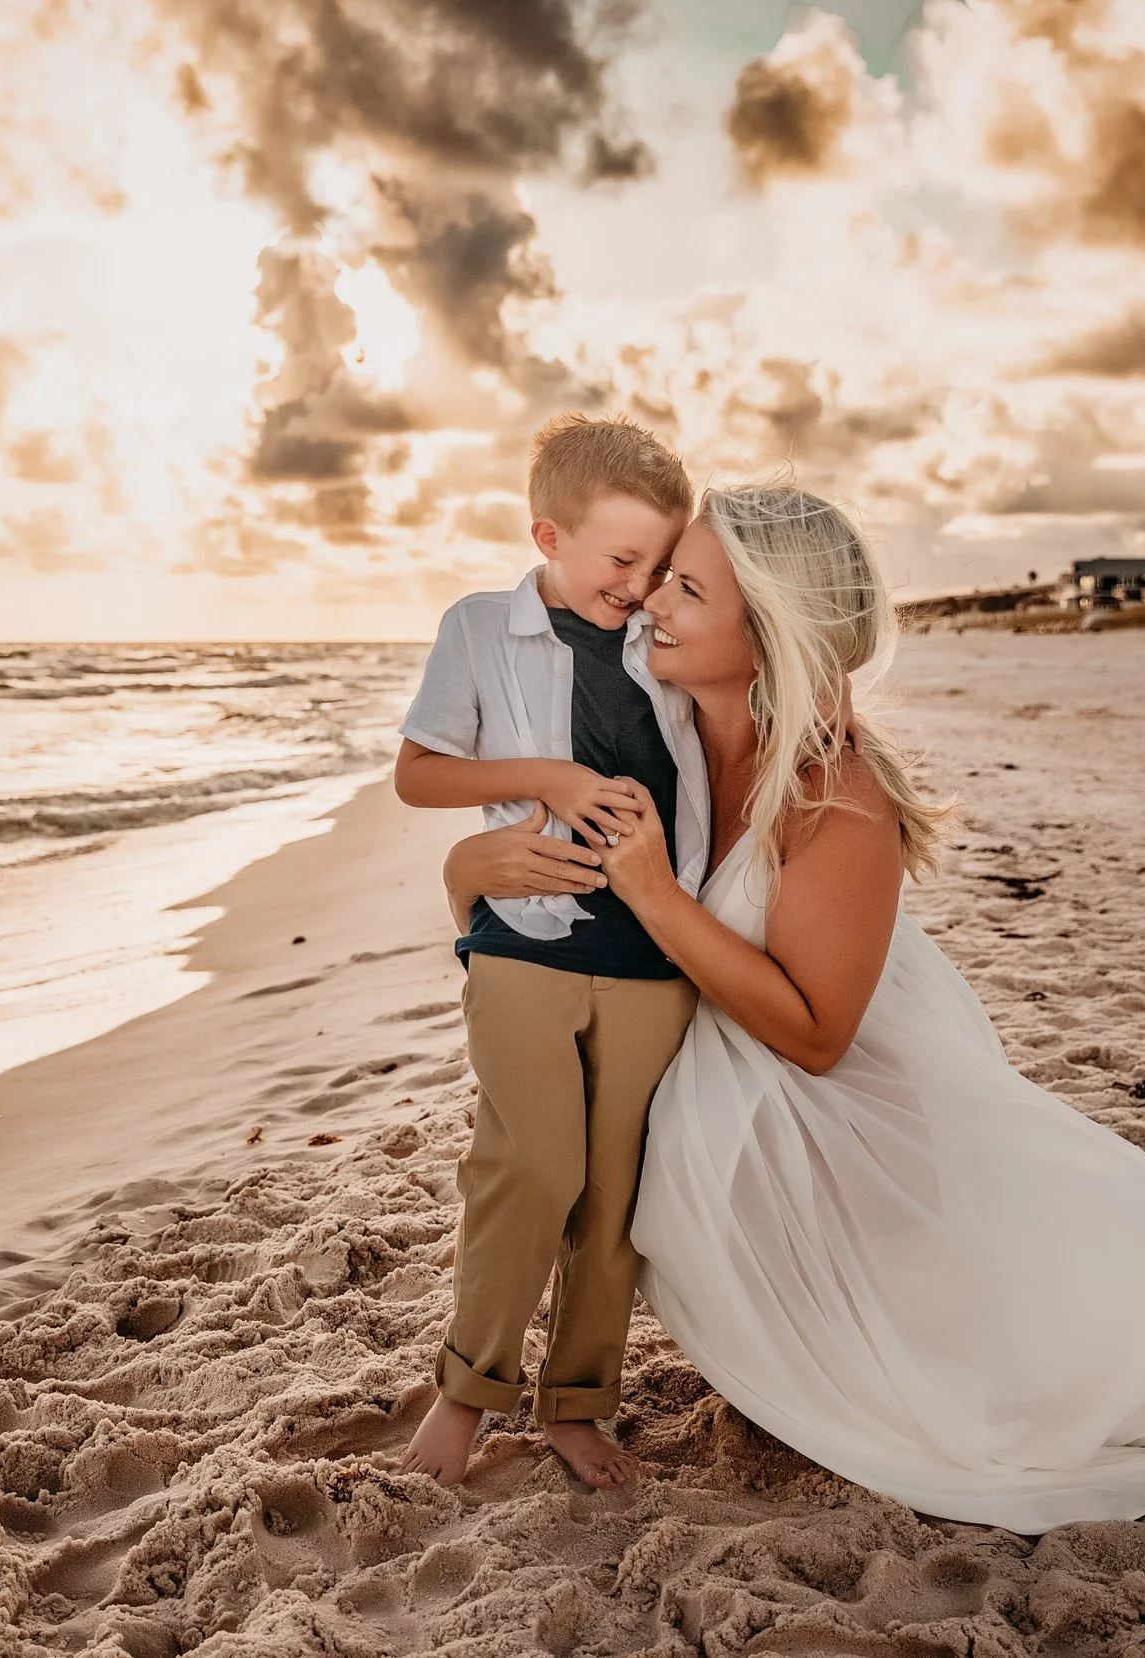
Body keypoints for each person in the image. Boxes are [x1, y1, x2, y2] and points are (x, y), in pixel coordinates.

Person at [444, 484, 1145, 1533]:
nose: (650, 601)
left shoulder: (836, 794)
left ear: (767, 635)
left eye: (687, 587)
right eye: (662, 574)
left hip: (843, 1106)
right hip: (732, 1059)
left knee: (941, 1365)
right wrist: (465, 869)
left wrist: (654, 893)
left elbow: (817, 1035)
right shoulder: (657, 722)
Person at [390, 413, 712, 1488]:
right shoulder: (479, 628)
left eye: (659, 564)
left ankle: (577, 1401)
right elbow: (420, 773)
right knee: (530, 1164)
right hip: (521, 936)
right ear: (548, 534)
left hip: (651, 957)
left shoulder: (661, 643)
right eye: (622, 559)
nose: (639, 584)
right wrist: (548, 779)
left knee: (613, 1190)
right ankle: (465, 1389)